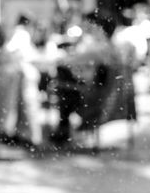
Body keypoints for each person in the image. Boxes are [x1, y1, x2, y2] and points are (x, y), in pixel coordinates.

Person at [51, 9, 135, 146]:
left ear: (99, 28)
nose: (88, 28)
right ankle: (63, 129)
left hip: (97, 101)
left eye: (91, 26)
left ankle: (63, 130)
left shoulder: (100, 49)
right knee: (67, 85)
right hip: (109, 98)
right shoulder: (112, 47)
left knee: (64, 87)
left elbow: (67, 61)